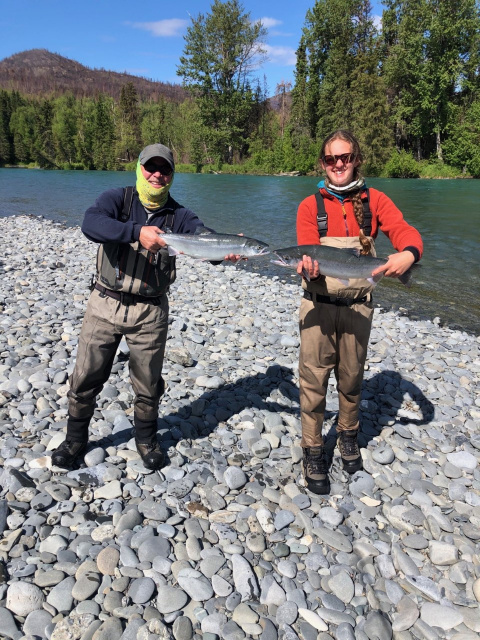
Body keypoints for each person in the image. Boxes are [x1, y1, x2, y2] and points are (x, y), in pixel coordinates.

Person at [52, 143, 239, 470]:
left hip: (150, 312)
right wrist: (136, 232)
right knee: (85, 377)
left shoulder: (180, 215)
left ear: (171, 175)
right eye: (151, 167)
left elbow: (202, 238)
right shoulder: (117, 200)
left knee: (148, 383)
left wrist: (226, 248)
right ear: (139, 168)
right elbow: (90, 224)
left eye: (164, 169)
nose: (157, 174)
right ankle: (75, 440)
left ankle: (146, 439)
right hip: (104, 304)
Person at [296, 130, 423, 495]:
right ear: (323, 163)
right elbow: (305, 253)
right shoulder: (310, 207)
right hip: (317, 308)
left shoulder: (376, 200)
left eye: (346, 157)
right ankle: (313, 448)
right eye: (332, 159)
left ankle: (348, 435)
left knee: (351, 380)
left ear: (356, 160)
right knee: (313, 382)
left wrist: (408, 255)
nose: (339, 165)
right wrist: (306, 267)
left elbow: (404, 231)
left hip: (358, 308)